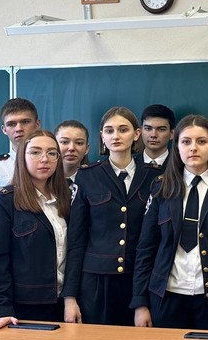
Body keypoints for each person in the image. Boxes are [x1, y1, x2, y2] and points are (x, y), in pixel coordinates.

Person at [131, 115, 208, 331]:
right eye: (186, 141)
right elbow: (146, 248)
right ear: (177, 146)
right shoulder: (161, 187)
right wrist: (140, 302)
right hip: (166, 296)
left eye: (201, 141)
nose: (193, 148)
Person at [62, 107, 162, 326]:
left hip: (140, 279)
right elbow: (76, 241)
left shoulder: (155, 176)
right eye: (109, 131)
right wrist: (70, 296)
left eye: (123, 130)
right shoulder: (87, 175)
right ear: (102, 136)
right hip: (96, 282)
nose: (116, 136)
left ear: (136, 134)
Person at [0, 129, 72, 332]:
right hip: (23, 308)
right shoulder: (4, 201)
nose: (44, 159)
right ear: (22, 157)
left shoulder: (66, 199)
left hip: (65, 304)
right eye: (36, 152)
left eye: (52, 153)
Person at [0, 98, 40, 187]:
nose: (19, 129)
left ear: (37, 125)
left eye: (25, 122)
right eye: (11, 124)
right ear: (4, 129)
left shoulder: (51, 162)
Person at [140, 104, 175, 171]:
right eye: (148, 128)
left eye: (161, 129)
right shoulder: (129, 163)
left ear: (171, 134)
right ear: (141, 131)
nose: (153, 135)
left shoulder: (180, 166)